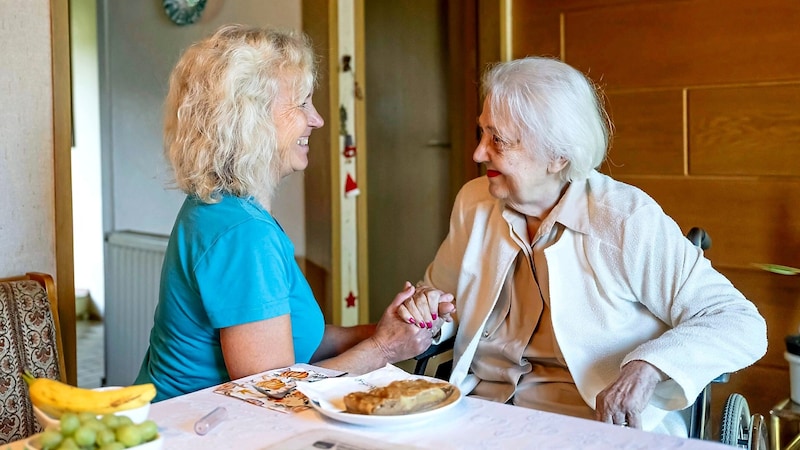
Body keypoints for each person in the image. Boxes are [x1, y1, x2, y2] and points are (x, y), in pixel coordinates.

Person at [399, 56, 767, 436]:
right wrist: (429, 310)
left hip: (589, 424)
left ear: (558, 156)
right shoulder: (474, 203)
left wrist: (648, 368)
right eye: (481, 133)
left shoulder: (624, 218)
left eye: (498, 140)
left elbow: (739, 321)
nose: (478, 153)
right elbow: (441, 301)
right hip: (483, 412)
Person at [135, 24, 440, 402]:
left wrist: (379, 332)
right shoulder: (243, 232)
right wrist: (384, 350)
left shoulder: (221, 206)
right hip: (195, 432)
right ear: (250, 119)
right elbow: (271, 395)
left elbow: (294, 339)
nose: (317, 119)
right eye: (301, 104)